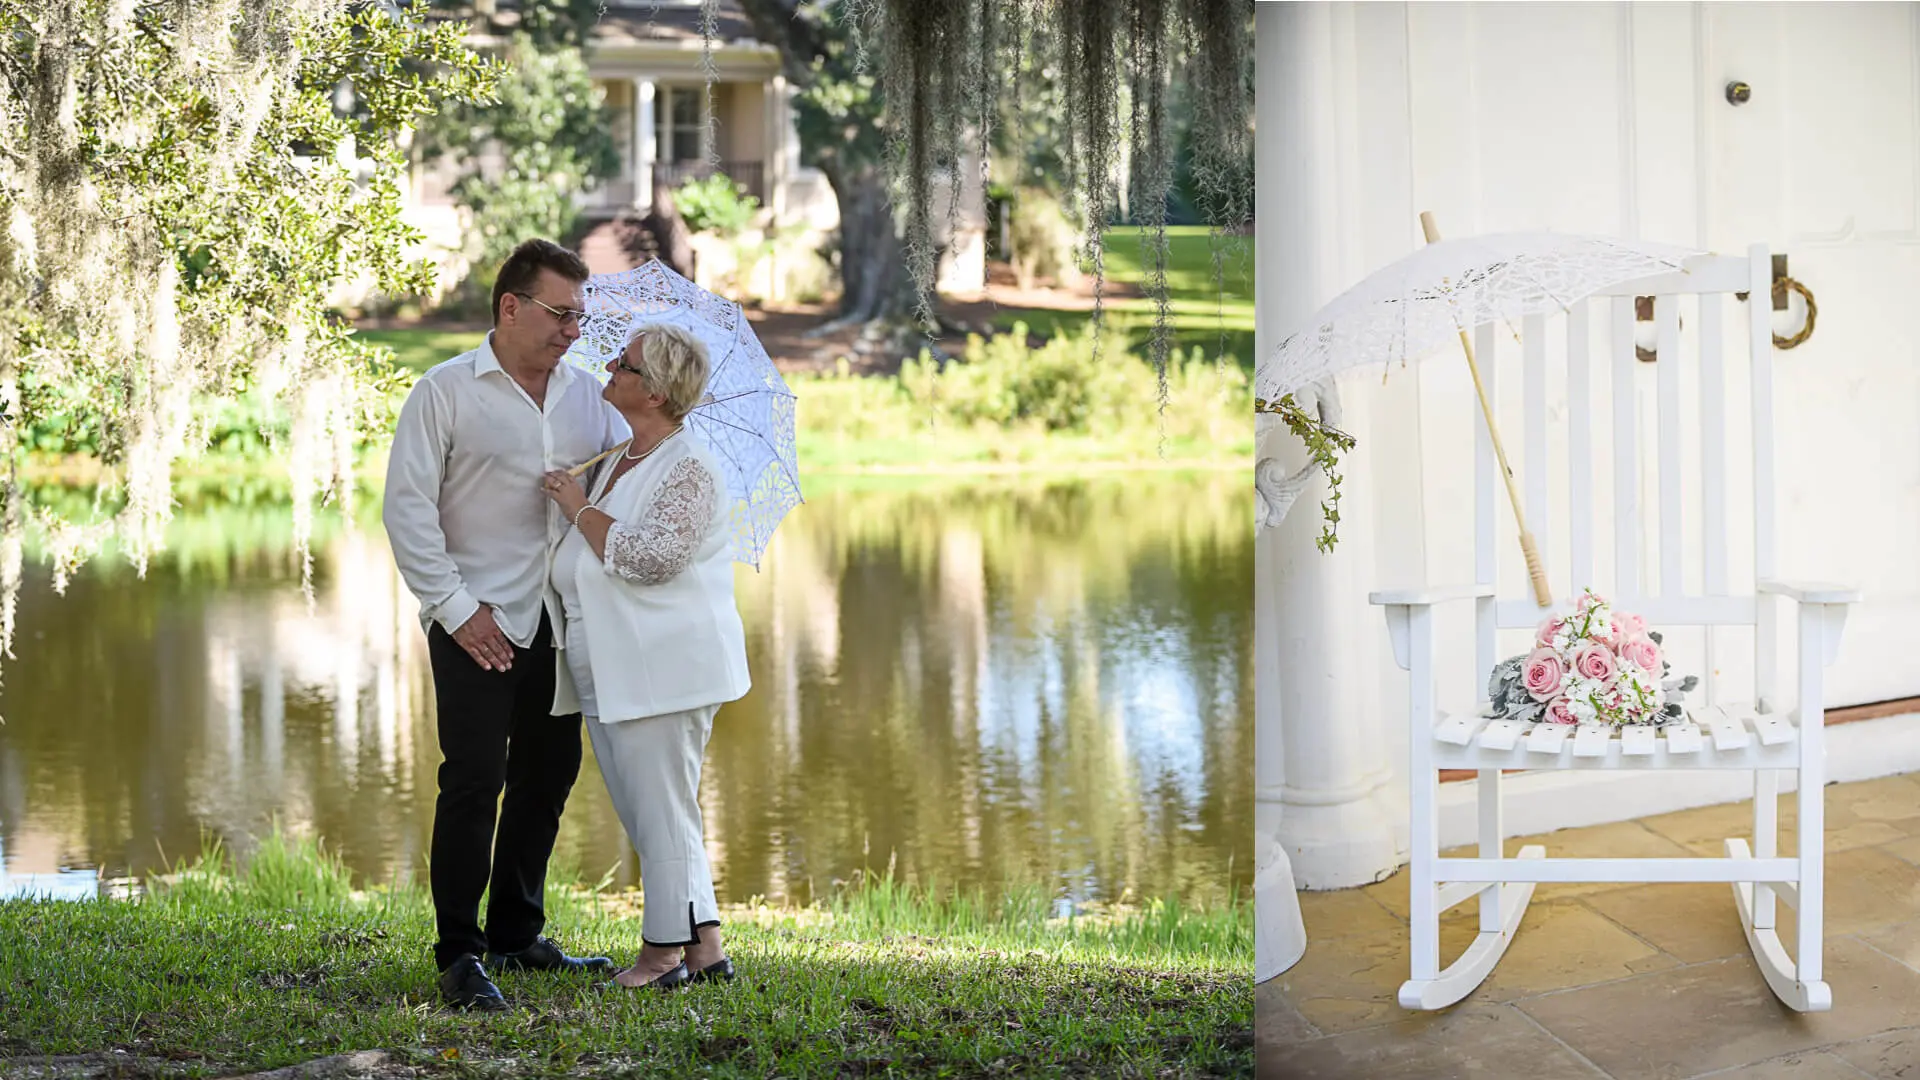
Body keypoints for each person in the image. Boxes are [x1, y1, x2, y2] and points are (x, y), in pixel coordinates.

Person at [382, 239, 626, 1011]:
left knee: (548, 776)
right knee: (475, 778)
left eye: (580, 317)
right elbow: (408, 510)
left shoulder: (590, 398)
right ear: (510, 306)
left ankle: (518, 935)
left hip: (561, 619)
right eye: (560, 314)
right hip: (474, 621)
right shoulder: (445, 391)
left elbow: (633, 476)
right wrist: (457, 611)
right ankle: (459, 953)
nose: (573, 332)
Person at [539, 321, 749, 990]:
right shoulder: (620, 458)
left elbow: (651, 557)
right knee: (655, 809)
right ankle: (705, 947)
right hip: (610, 666)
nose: (610, 366)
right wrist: (579, 497)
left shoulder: (691, 468)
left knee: (659, 810)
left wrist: (578, 511)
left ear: (655, 391)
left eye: (624, 364)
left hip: (664, 669)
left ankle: (661, 957)